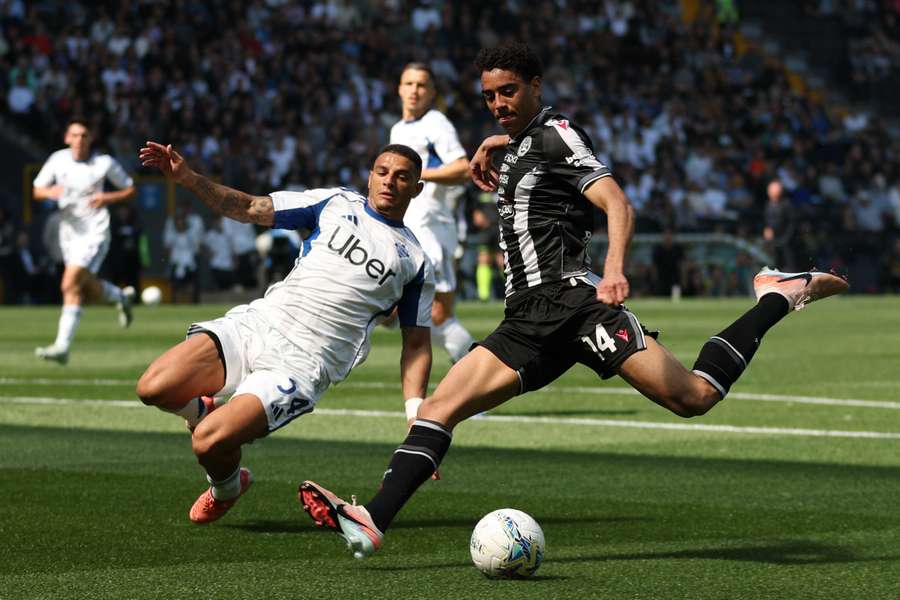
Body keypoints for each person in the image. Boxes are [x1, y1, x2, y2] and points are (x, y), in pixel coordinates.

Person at [298, 42, 850, 559]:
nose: (497, 104)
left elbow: (616, 202)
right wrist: (498, 144)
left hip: (577, 304)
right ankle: (373, 520)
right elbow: (518, 155)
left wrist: (612, 272)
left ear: (536, 86)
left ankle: (776, 295)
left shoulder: (559, 135)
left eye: (509, 91)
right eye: (489, 96)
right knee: (440, 409)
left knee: (693, 397)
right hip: (525, 320)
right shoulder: (516, 143)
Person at [136, 141, 434, 524]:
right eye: (382, 172)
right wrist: (189, 178)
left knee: (207, 440)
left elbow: (416, 343)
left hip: (302, 365)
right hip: (259, 324)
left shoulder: (416, 259)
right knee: (153, 387)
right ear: (370, 174)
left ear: (417, 188)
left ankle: (226, 487)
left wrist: (416, 416)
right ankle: (201, 410)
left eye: (402, 177)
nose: (389, 182)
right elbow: (248, 207)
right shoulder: (334, 203)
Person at [32, 117, 137, 365]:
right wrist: (50, 192)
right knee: (81, 288)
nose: (79, 140)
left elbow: (131, 189)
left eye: (84, 135)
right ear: (67, 139)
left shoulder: (103, 163)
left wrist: (106, 198)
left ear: (90, 140)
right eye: (75, 135)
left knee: (69, 283)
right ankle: (120, 297)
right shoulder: (58, 160)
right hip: (69, 233)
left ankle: (61, 346)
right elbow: (37, 190)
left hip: (95, 231)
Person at [388, 62, 474, 362]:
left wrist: (417, 175)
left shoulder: (436, 123)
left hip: (432, 227)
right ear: (399, 88)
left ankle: (477, 377)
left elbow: (463, 167)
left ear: (432, 92)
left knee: (436, 314)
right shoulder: (398, 129)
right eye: (409, 83)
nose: (414, 90)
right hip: (408, 227)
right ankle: (473, 377)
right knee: (403, 312)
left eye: (422, 85)